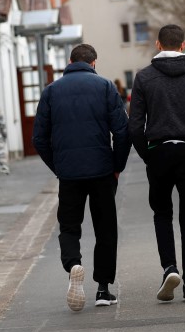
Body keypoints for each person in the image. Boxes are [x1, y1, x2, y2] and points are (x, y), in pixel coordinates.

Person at [33, 44, 131, 312]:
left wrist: (59, 166)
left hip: (69, 174)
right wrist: (117, 166)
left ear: (69, 62)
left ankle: (73, 263)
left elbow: (39, 138)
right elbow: (122, 132)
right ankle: (103, 288)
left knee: (69, 226)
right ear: (94, 63)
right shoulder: (106, 87)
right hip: (102, 170)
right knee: (105, 229)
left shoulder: (51, 91)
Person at [128, 24, 185, 303]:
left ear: (158, 45)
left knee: (162, 214)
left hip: (159, 153)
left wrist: (148, 155)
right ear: (183, 45)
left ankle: (170, 267)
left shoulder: (144, 78)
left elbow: (134, 126)